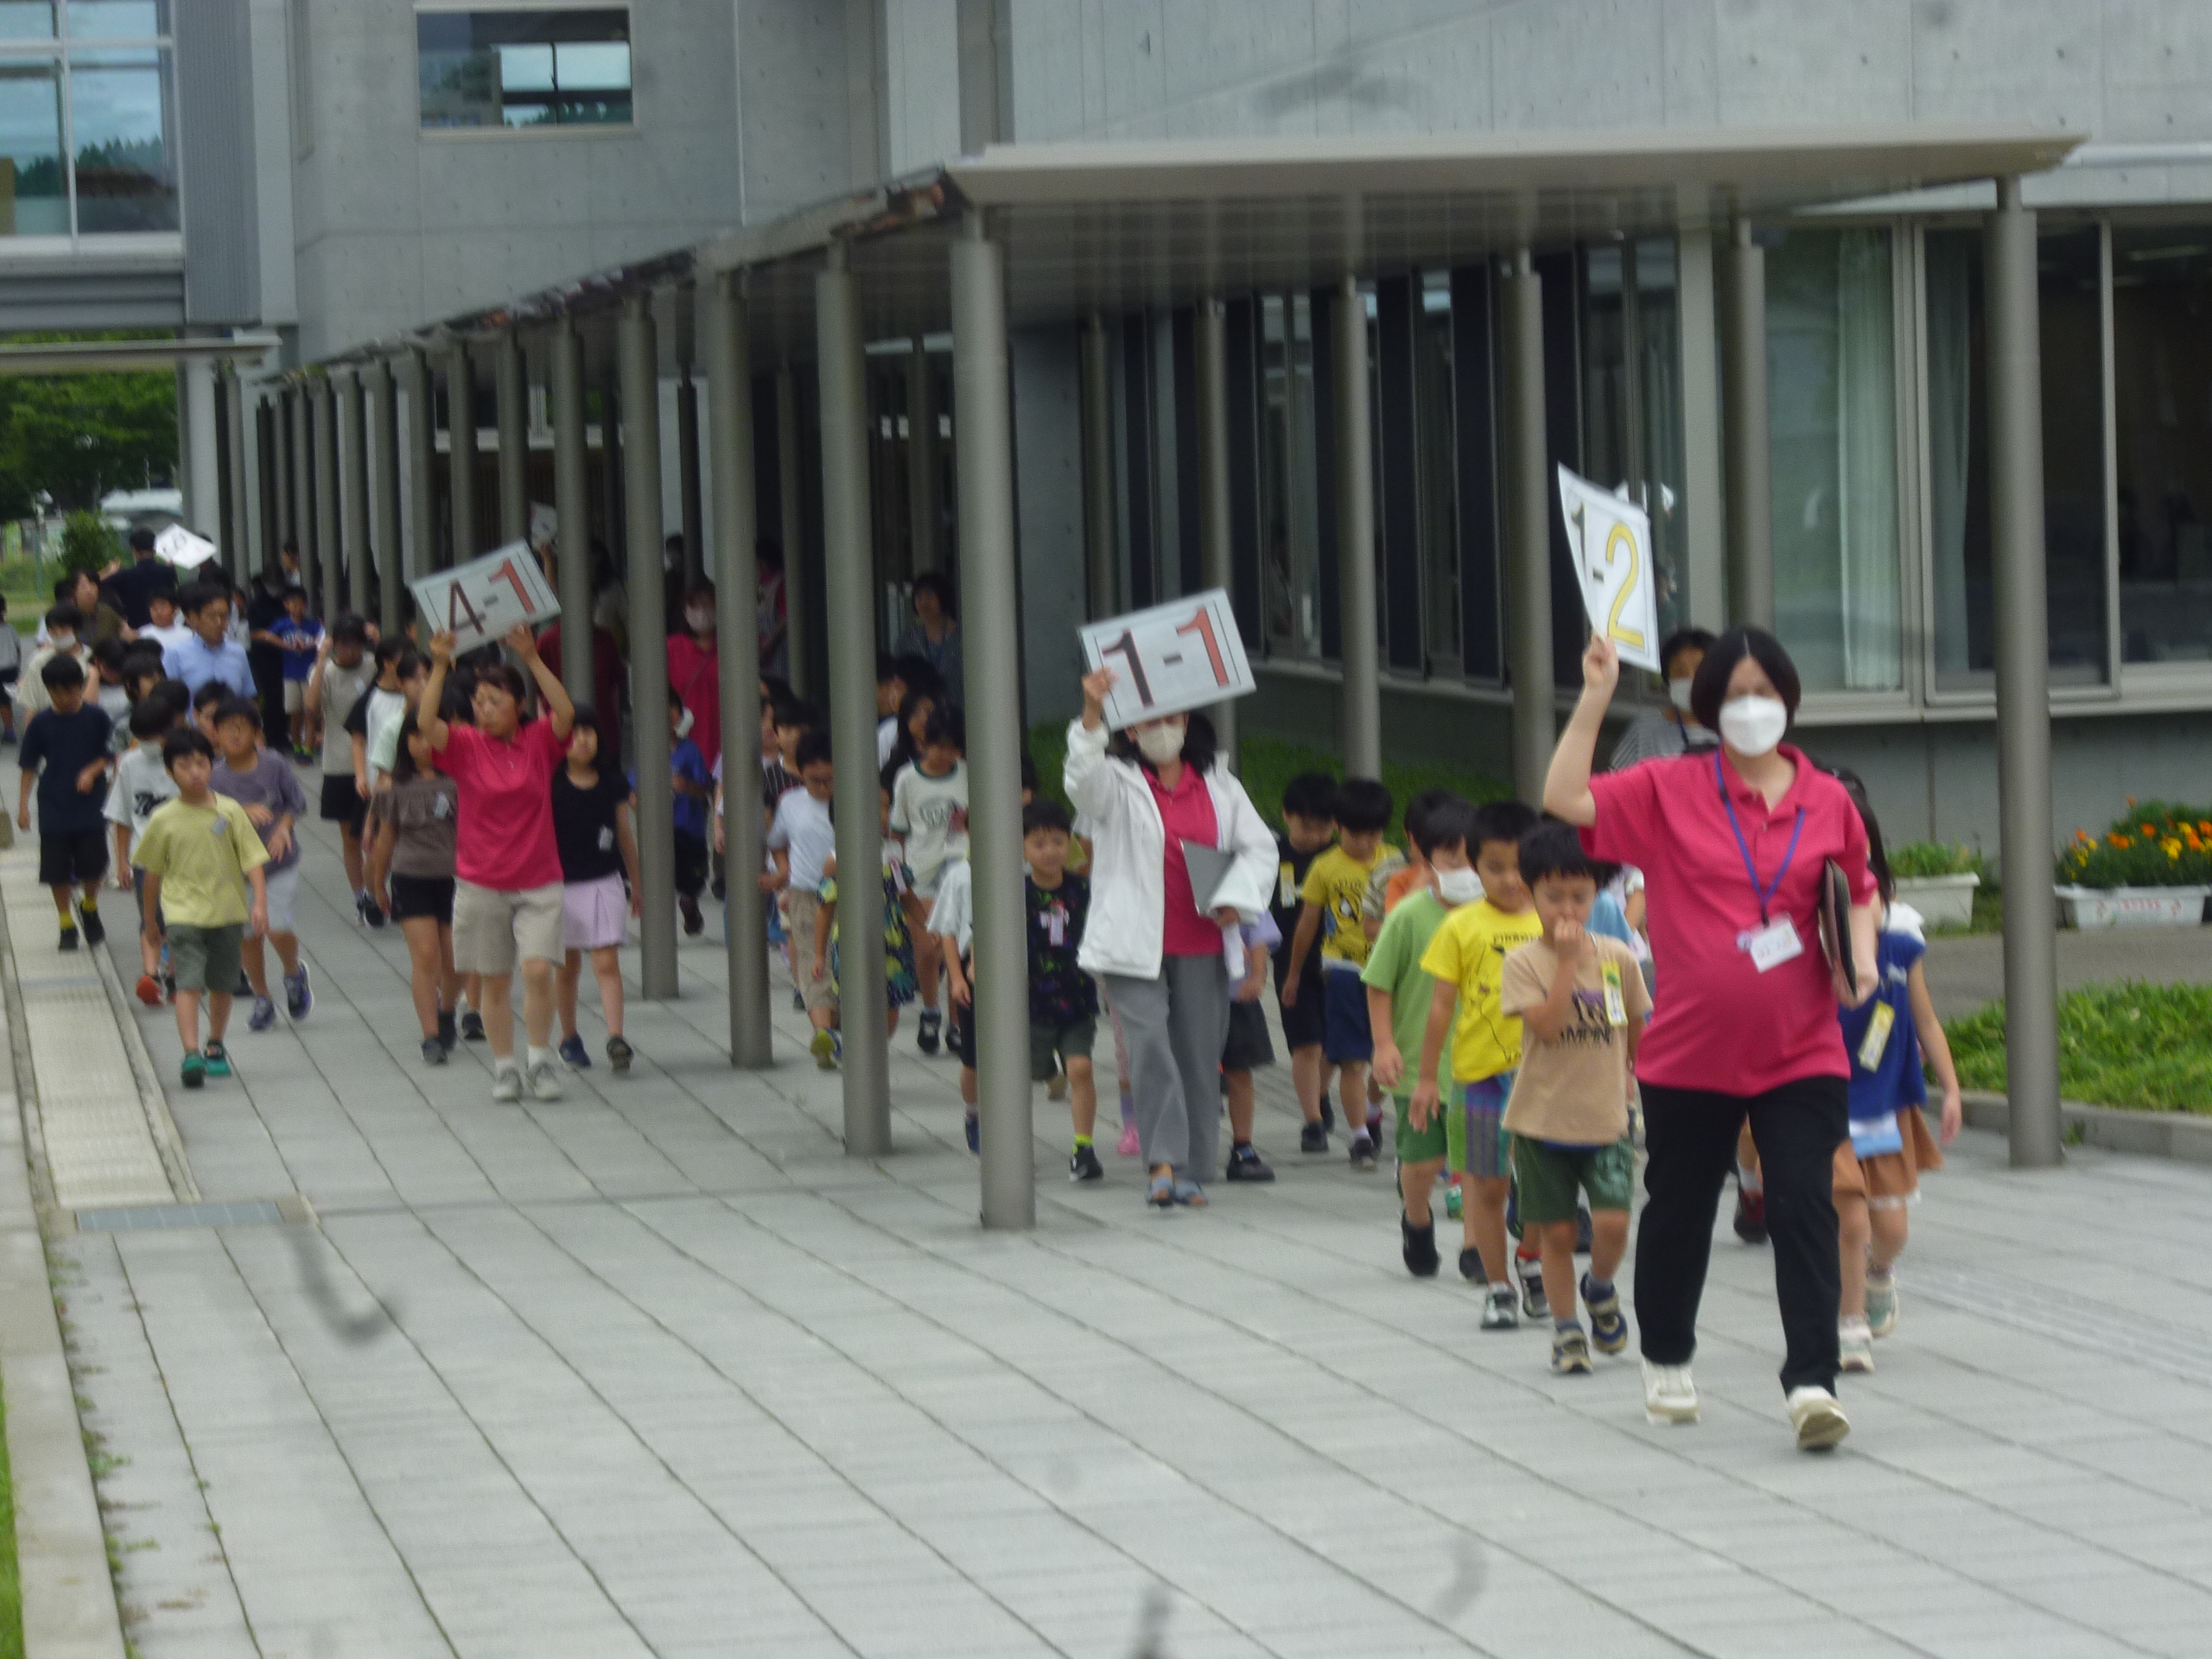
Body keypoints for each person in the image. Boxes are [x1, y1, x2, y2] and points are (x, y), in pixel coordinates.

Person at [1544, 626, 1879, 1451]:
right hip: (1691, 1053)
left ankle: (1811, 1383)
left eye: (1766, 694)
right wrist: (1594, 694)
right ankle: (1666, 1356)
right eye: (1734, 697)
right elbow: (1567, 801)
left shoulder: (1827, 798)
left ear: (1790, 701)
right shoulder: (1668, 787)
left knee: (1803, 1203)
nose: (1752, 709)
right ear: (1707, 709)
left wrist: (1861, 962)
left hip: (1803, 1048)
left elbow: (1860, 890)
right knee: (1683, 1205)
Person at [1065, 670, 1276, 1209]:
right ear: (1130, 732)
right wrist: (1091, 712)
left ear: (1188, 723)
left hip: (1204, 941)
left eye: (1172, 718)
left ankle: (1194, 1168)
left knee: (1199, 1058)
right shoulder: (1115, 782)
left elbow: (1259, 849)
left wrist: (1240, 896)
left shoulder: (1220, 787)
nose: (1163, 728)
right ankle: (1162, 1163)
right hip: (1133, 946)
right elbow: (1080, 782)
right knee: (1151, 1048)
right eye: (1149, 721)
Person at [1499, 822, 1651, 1376]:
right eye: (1553, 896)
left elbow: (1635, 1021)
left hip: (1606, 1116)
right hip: (1541, 1121)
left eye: (1580, 896)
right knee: (1559, 1232)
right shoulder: (1523, 963)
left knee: (1612, 1225)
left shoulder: (1618, 956)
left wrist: (1634, 1070)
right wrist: (1565, 963)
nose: (1568, 907)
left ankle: (1601, 1288)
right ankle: (1567, 1333)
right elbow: (1544, 1026)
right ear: (1529, 893)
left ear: (1597, 895)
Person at [1827, 769, 1961, 1373]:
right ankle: (1848, 1322)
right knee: (1848, 1217)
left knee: (1891, 1228)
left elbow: (1927, 1022)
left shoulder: (1902, 944)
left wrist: (1951, 1088)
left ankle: (1880, 1276)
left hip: (1882, 1103)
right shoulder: (1806, 944)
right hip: (1821, 1102)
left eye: (1867, 882)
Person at [417, 626, 577, 1102]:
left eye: (495, 700)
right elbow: (426, 725)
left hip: (539, 880)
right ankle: (504, 1066)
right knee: (493, 978)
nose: (484, 709)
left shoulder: (538, 742)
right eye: (479, 701)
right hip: (481, 881)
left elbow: (565, 714)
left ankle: (542, 1059)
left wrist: (531, 657)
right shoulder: (465, 746)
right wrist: (441, 664)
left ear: (519, 705)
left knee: (536, 970)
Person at [1411, 799, 1541, 1325]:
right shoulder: (1460, 927)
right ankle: (1498, 1286)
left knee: (1542, 1184)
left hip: (1544, 1080)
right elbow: (1441, 1005)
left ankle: (1531, 1259)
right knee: (1486, 1185)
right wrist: (1425, 1079)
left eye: (1520, 867)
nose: (1510, 880)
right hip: (1479, 1077)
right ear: (1473, 863)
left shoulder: (1554, 921)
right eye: (1495, 868)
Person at [1364, 796, 1478, 1278]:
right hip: (1419, 1066)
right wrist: (1384, 1043)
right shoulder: (1408, 916)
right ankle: (1417, 1219)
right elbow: (1378, 982)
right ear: (1426, 860)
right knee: (1422, 1161)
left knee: (1480, 1162)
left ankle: (1477, 1245)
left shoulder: (1496, 917)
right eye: (1453, 857)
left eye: (1473, 856)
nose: (1466, 868)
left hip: (1482, 1063)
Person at [133, 728, 269, 1088]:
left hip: (227, 912)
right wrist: (150, 921)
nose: (194, 772)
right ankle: (191, 1052)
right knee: (188, 984)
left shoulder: (230, 810)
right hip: (182, 915)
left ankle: (215, 1044)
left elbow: (252, 860)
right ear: (169, 772)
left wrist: (260, 903)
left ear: (212, 765)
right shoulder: (163, 818)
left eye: (201, 763)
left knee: (223, 984)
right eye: (184, 765)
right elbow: (151, 874)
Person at [1282, 778, 1402, 1171]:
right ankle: (1360, 1138)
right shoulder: (1325, 866)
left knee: (1388, 1056)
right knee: (1353, 1059)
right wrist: (1294, 974)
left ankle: (1371, 1108)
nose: (1366, 845)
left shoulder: (1394, 862)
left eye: (1374, 835)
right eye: (1356, 835)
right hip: (1344, 971)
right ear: (1338, 827)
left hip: (1389, 973)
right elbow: (1307, 922)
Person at [207, 697, 313, 1033]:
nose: (235, 734)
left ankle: (293, 973)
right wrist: (239, 812)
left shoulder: (274, 764)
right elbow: (212, 826)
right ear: (216, 735)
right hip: (236, 870)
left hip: (278, 862)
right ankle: (262, 997)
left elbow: (295, 803)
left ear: (256, 731)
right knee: (248, 936)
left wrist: (283, 829)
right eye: (226, 728)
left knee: (277, 926)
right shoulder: (214, 777)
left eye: (242, 727)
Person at [366, 709, 463, 1065]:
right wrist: (378, 885)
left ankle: (448, 1009)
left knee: (456, 959)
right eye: (416, 736)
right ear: (405, 742)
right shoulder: (393, 787)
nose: (424, 744)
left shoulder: (456, 781)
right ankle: (430, 1036)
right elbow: (385, 838)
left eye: (430, 735)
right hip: (410, 877)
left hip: (454, 878)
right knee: (426, 955)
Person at [550, 709, 640, 1074]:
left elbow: (624, 833)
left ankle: (615, 1036)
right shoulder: (550, 782)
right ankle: (568, 1037)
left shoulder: (612, 782)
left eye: (589, 732)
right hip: (561, 885)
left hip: (605, 880)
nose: (583, 740)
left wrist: (637, 881)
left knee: (607, 962)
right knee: (567, 966)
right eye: (574, 733)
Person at [1020, 801, 1104, 1181]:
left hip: (1077, 998)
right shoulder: (1014, 893)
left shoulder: (1083, 890)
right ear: (1021, 847)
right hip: (1031, 1003)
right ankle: (1048, 1071)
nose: (1050, 851)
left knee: (1081, 1067)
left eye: (1057, 841)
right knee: (1034, 1071)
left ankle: (1083, 1147)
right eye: (1039, 844)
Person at [16, 653, 115, 949]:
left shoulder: (97, 718)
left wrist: (92, 771)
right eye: (56, 692)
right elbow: (29, 764)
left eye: (70, 690)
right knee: (56, 868)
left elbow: (111, 753)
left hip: (90, 803)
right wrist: (23, 806)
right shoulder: (41, 723)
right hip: (54, 803)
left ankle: (89, 906)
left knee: (92, 863)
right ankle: (66, 923)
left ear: (81, 686)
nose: (64, 697)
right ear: (48, 691)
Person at [890, 702, 969, 1055]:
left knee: (958, 946)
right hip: (921, 868)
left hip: (961, 867)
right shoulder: (907, 778)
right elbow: (898, 831)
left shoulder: (968, 772)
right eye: (940, 746)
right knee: (928, 946)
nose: (947, 754)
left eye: (954, 747)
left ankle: (957, 1021)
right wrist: (898, 876)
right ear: (924, 743)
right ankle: (931, 1010)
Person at [817, 780, 918, 1046]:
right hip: (853, 941)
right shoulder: (837, 860)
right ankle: (857, 1049)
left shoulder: (893, 853)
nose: (884, 815)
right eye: (876, 807)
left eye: (887, 807)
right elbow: (825, 908)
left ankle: (875, 1049)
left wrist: (929, 926)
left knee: (891, 1005)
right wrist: (818, 953)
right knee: (856, 998)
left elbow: (905, 894)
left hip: (893, 941)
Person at [1272, 772, 1339, 1152]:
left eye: (1323, 828)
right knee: (1306, 1044)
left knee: (1336, 1047)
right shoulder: (1272, 855)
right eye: (1306, 827)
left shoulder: (1338, 859)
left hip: (1337, 961)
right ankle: (1313, 1121)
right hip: (1289, 961)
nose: (1315, 836)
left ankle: (1320, 1095)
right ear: (1286, 816)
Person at [766, 728, 839, 1067]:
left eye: (829, 779)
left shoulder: (859, 799)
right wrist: (784, 874)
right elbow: (777, 840)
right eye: (814, 780)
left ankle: (836, 1026)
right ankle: (824, 1032)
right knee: (814, 960)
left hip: (849, 895)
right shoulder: (791, 803)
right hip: (807, 893)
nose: (823, 787)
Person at [305, 616, 383, 927]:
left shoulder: (374, 665)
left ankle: (378, 891)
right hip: (338, 763)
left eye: (354, 644)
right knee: (350, 837)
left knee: (378, 836)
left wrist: (378, 644)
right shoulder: (324, 670)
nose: (348, 650)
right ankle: (360, 895)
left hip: (374, 763)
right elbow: (311, 707)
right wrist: (321, 661)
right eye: (342, 644)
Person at [106, 695, 182, 1002]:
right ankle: (151, 975)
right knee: (149, 916)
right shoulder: (129, 764)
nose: (150, 743)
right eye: (143, 737)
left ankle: (176, 976)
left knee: (179, 918)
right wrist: (121, 862)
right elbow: (122, 816)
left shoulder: (185, 759)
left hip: (182, 854)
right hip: (144, 856)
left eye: (155, 736)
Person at [1607, 626, 1718, 770]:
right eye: (1680, 672)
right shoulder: (1645, 730)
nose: (1691, 679)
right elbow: (1616, 785)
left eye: (1700, 670)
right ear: (1668, 680)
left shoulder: (1733, 729)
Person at [534, 614, 624, 772]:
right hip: (561, 736)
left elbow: (613, 688)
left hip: (604, 732)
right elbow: (538, 694)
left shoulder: (605, 639)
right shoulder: (548, 640)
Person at [930, 852, 978, 1141]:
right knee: (972, 1057)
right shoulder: (960, 876)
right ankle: (973, 1111)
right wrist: (957, 978)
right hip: (972, 972)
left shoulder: (1026, 873)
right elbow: (947, 930)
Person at [346, 637, 417, 797]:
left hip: (413, 780)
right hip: (379, 782)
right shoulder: (369, 699)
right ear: (387, 663)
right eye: (404, 658)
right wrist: (361, 776)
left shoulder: (415, 697)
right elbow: (358, 741)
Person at [159, 582, 255, 699]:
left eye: (224, 616)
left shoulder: (238, 652)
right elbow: (166, 700)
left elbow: (249, 696)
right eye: (212, 616)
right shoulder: (175, 654)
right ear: (193, 618)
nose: (219, 622)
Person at [669, 696, 714, 935]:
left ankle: (690, 906)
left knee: (691, 879)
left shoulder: (690, 750)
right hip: (663, 828)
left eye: (672, 709)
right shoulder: (648, 750)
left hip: (689, 826)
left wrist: (686, 786)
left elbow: (704, 787)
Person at [667, 581, 721, 772]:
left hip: (723, 744)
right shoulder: (672, 648)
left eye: (707, 605)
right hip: (684, 742)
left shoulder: (730, 647)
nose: (701, 611)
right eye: (695, 606)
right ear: (685, 611)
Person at [264, 587, 322, 757]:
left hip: (308, 674)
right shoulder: (282, 624)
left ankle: (308, 749)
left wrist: (308, 645)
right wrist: (287, 645)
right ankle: (296, 745)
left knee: (310, 713)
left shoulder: (312, 624)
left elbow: (322, 639)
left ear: (305, 605)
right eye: (293, 604)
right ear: (286, 605)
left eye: (300, 604)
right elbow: (268, 636)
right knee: (294, 714)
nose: (297, 608)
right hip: (290, 675)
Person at [894, 572, 963, 702]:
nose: (924, 602)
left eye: (930, 595)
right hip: (920, 714)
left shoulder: (963, 638)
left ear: (943, 597)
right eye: (918, 597)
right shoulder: (908, 640)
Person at [244, 561, 292, 742]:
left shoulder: (286, 598)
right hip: (265, 657)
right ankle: (272, 736)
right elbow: (254, 632)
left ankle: (283, 734)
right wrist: (272, 638)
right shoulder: (257, 603)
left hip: (287, 656)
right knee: (270, 698)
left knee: (286, 698)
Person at [18, 604, 90, 723]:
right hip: (47, 724)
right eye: (52, 629)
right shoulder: (39, 660)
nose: (58, 634)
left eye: (64, 629)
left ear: (77, 629)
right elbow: (31, 705)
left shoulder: (89, 658)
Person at [105, 524, 177, 628]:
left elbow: (97, 584)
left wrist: (110, 571)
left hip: (136, 630)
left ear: (134, 550)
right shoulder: (168, 572)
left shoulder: (124, 576)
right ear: (154, 548)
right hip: (165, 627)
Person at [756, 538, 789, 681]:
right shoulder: (758, 584)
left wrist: (769, 641)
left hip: (778, 649)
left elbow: (785, 618)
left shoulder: (779, 582)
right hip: (761, 648)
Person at [136, 588, 194, 664]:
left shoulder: (187, 634)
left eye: (163, 607)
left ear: (175, 608)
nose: (159, 612)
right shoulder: (143, 633)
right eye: (154, 608)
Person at [0, 594, 19, 743]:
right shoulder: (10, 629)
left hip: (2, 669)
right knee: (5, 701)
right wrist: (18, 666)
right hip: (10, 669)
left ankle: (10, 730)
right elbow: (18, 649)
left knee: (4, 702)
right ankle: (9, 729)